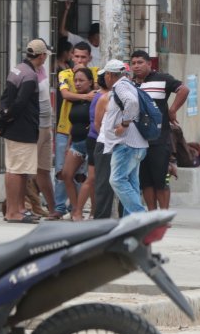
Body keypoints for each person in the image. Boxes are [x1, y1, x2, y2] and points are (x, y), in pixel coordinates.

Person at [0, 40, 46, 223]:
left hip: (16, 128)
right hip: (22, 129)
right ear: (42, 56)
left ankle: (19, 208)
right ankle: (13, 212)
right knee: (16, 170)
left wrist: (2, 120)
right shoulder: (30, 75)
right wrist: (2, 122)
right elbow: (20, 104)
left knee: (18, 170)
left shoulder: (18, 69)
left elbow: (5, 98)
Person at [131, 50, 188, 211]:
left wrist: (173, 110)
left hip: (159, 139)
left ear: (149, 64)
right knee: (145, 180)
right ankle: (152, 214)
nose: (136, 66)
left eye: (140, 62)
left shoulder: (163, 79)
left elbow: (184, 90)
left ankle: (163, 215)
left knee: (161, 179)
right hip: (138, 139)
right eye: (133, 63)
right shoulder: (130, 84)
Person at [100, 59, 149, 216]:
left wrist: (124, 124)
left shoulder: (120, 85)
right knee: (132, 183)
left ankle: (140, 215)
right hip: (136, 144)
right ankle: (131, 223)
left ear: (110, 74)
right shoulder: (128, 85)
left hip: (126, 144)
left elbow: (132, 102)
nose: (105, 78)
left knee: (117, 180)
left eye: (105, 74)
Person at [55, 41, 97, 216]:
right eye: (76, 56)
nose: (79, 60)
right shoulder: (65, 74)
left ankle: (90, 211)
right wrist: (86, 96)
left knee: (89, 178)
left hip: (92, 141)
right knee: (64, 173)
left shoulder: (96, 79)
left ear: (89, 58)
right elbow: (65, 94)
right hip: (71, 136)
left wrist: (90, 94)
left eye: (83, 57)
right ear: (71, 56)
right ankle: (68, 208)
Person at [32, 40, 60, 220]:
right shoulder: (27, 72)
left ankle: (52, 209)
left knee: (43, 169)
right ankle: (19, 208)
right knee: (26, 170)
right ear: (41, 55)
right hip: (34, 126)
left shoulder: (42, 70)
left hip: (45, 125)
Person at [91, 73, 116, 220]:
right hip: (105, 143)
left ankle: (126, 219)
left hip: (125, 145)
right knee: (103, 183)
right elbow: (97, 124)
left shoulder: (132, 96)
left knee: (124, 183)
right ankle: (101, 219)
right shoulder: (105, 98)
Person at [61, 1, 102, 66]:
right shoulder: (81, 41)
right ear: (95, 35)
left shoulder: (104, 48)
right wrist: (66, 10)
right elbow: (62, 31)